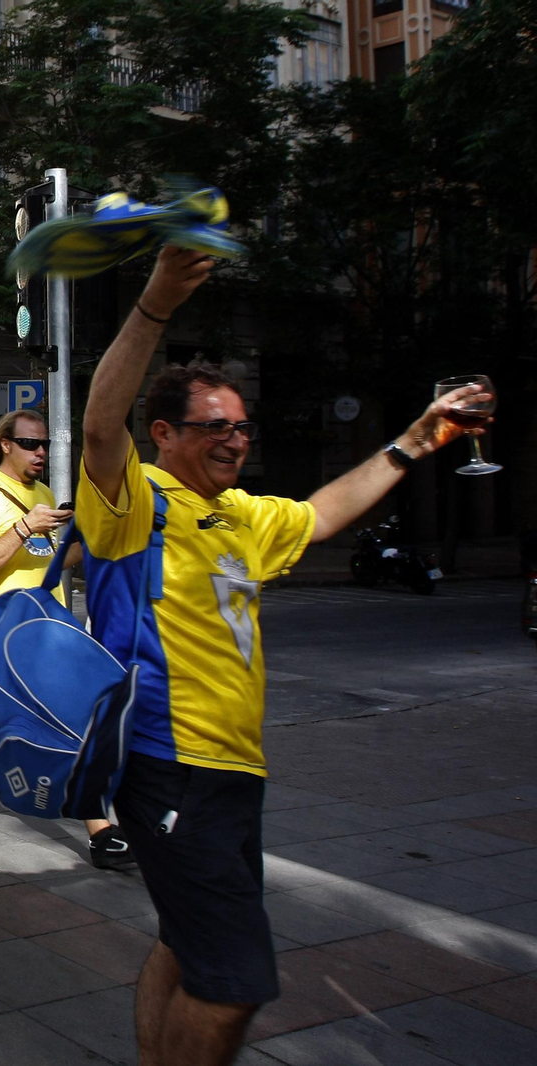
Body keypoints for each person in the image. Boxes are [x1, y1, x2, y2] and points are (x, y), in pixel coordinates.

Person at [77, 247, 484, 1066]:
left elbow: (324, 511)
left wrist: (416, 439)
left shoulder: (242, 516)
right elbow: (96, 426)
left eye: (241, 426)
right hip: (168, 763)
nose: (236, 439)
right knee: (231, 984)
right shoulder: (137, 503)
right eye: (215, 426)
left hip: (232, 771)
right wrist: (155, 302)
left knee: (185, 947)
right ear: (165, 434)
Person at [0, 410, 133, 864]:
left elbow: (48, 560)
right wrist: (25, 525)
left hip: (47, 630)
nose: (41, 453)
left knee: (79, 720)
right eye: (31, 444)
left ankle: (100, 830)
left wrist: (94, 541)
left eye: (44, 444)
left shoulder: (44, 494)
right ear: (6, 444)